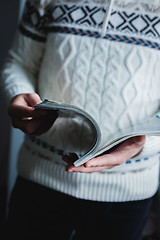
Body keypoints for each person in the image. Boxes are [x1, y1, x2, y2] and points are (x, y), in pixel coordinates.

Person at [1, 0, 160, 239]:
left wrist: (143, 144)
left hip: (129, 190)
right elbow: (20, 62)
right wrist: (18, 95)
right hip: (41, 176)